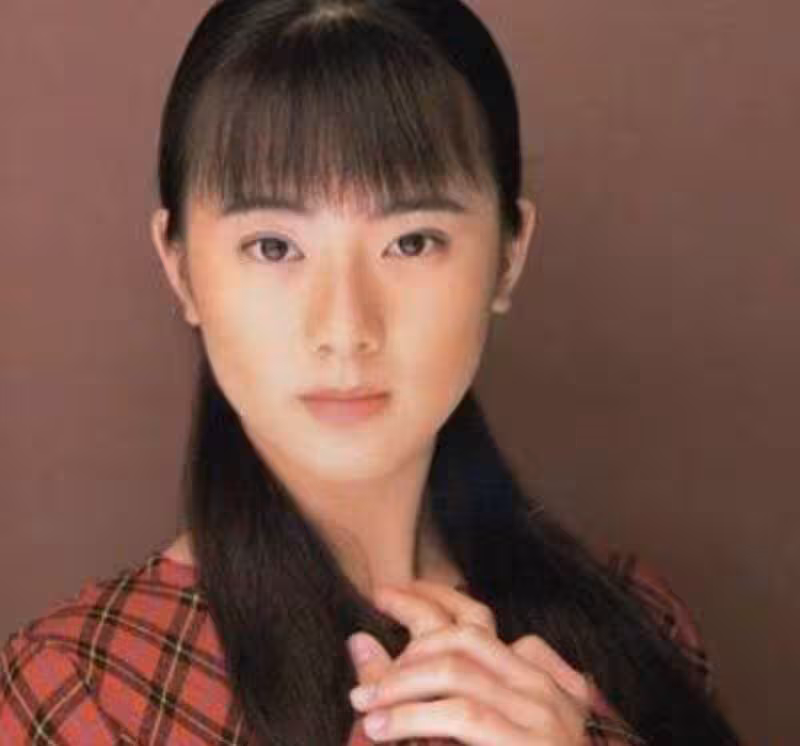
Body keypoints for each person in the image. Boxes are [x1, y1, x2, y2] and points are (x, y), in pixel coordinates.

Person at [0, 1, 744, 744]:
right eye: (273, 247)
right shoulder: (84, 691)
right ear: (181, 267)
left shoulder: (636, 632)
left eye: (411, 242)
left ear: (508, 256)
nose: (345, 329)